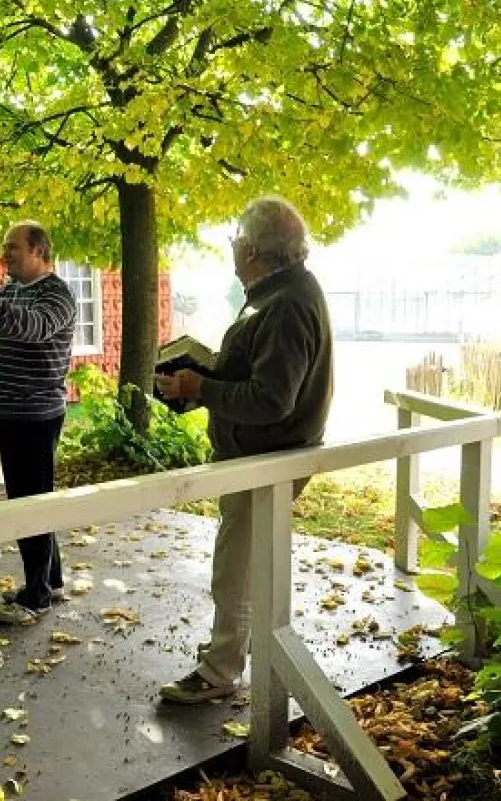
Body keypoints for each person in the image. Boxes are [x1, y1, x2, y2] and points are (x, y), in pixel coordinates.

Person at [156, 196, 333, 703]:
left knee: (234, 568)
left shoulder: (286, 305)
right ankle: (233, 649)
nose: (231, 246)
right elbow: (262, 374)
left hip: (266, 461)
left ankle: (220, 670)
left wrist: (202, 389)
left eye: (235, 238)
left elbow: (273, 400)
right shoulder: (278, 291)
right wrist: (204, 377)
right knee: (245, 562)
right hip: (261, 455)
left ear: (253, 248)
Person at [0, 221, 77, 626]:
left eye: (12, 247)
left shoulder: (57, 294)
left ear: (38, 251)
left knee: (31, 503)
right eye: (3, 247)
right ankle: (49, 578)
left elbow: (33, 328)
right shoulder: (12, 289)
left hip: (38, 413)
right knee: (31, 498)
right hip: (13, 409)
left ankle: (36, 595)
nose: (4, 253)